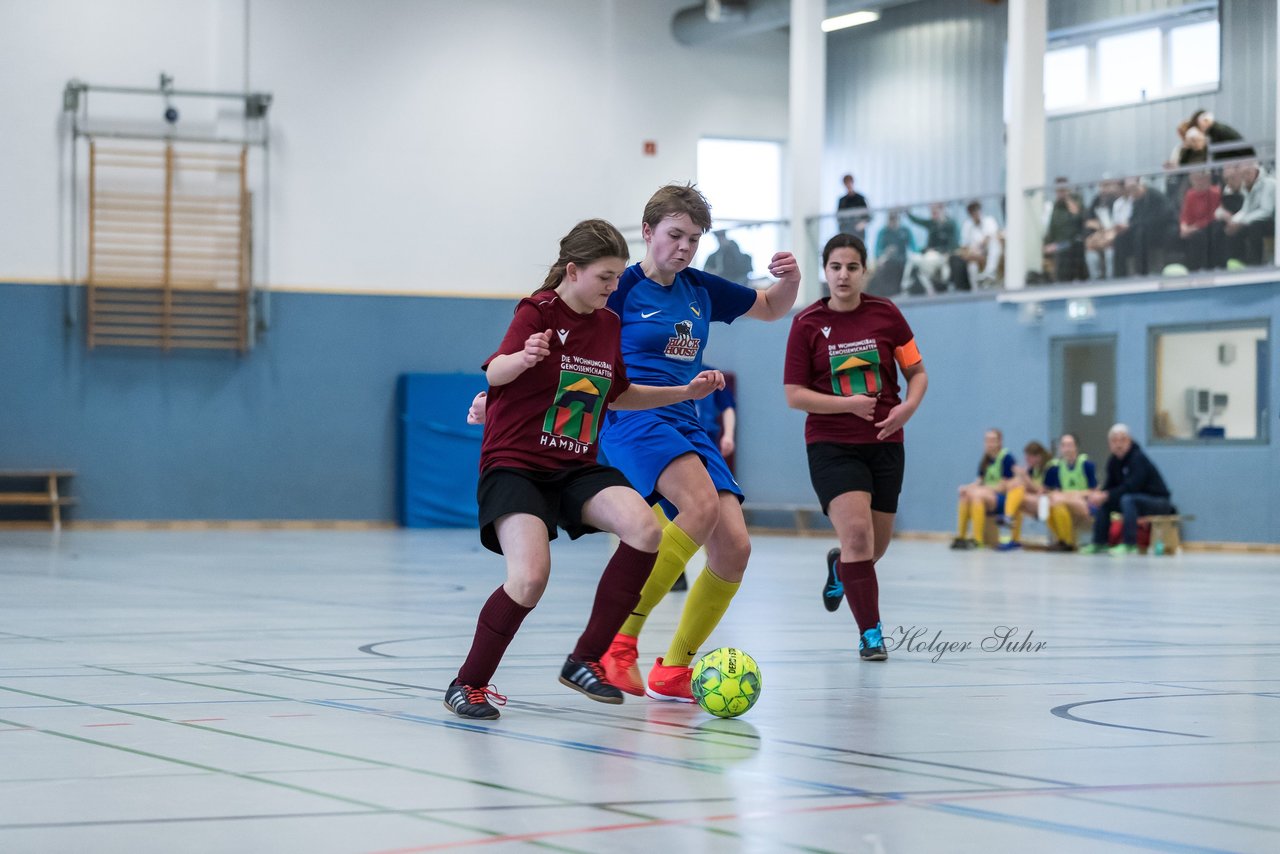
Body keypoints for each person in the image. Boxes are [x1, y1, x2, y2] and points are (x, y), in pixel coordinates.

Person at [445, 219, 725, 720]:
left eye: (619, 278)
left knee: (643, 528)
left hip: (574, 466)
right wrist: (522, 358)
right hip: (516, 466)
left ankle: (586, 658)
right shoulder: (537, 311)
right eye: (605, 278)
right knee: (530, 578)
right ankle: (468, 683)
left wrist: (686, 392)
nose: (614, 288)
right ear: (573, 272)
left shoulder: (607, 325)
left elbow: (619, 393)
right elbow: (494, 371)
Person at [598, 182, 801, 703]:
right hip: (633, 416)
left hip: (687, 421)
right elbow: (565, 339)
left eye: (694, 238)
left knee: (735, 547)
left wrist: (792, 279)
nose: (684, 247)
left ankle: (675, 668)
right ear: (647, 232)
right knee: (699, 504)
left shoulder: (700, 288)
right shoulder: (618, 288)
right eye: (674, 235)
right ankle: (616, 643)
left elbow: (773, 308)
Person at [784, 233, 927, 657]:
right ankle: (871, 635)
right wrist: (846, 405)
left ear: (865, 271)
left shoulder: (888, 315)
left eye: (851, 267)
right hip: (833, 445)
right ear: (825, 272)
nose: (843, 275)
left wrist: (907, 410)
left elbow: (916, 372)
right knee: (860, 540)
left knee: (873, 548)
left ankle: (839, 568)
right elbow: (794, 394)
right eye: (835, 267)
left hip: (886, 442)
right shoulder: (806, 323)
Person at [669, 370, 739, 593]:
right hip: (671, 442)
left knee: (714, 516)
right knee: (681, 511)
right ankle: (673, 570)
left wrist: (728, 435)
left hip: (703, 441)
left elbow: (727, 405)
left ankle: (714, 563)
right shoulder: (660, 369)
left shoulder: (710, 372)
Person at [1081, 424, 1174, 556]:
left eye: (1122, 440)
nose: (1118, 444)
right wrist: (1099, 495)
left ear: (1129, 441)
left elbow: (1132, 487)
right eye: (1114, 440)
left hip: (1159, 501)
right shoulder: (1113, 461)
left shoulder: (1138, 458)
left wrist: (1106, 495)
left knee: (1127, 499)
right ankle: (1099, 543)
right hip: (1135, 500)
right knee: (1106, 502)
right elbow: (1109, 487)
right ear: (1110, 444)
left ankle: (1130, 544)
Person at [951, 428, 1015, 549]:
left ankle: (978, 540)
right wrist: (967, 488)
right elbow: (979, 482)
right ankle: (961, 537)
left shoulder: (1006, 457)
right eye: (987, 440)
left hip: (1002, 499)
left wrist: (983, 489)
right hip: (987, 494)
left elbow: (1004, 486)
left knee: (977, 496)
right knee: (965, 495)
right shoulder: (985, 459)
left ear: (999, 442)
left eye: (992, 440)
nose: (989, 443)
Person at [1041, 433, 1098, 552]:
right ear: (1060, 448)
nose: (1067, 449)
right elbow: (1046, 490)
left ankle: (1068, 541)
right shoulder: (1055, 468)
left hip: (1084, 502)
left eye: (1070, 445)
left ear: (1076, 447)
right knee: (1048, 504)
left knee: (1057, 500)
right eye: (1064, 445)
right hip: (1065, 502)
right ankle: (1062, 540)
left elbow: (1093, 491)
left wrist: (1070, 495)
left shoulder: (1086, 465)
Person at [995, 441, 1052, 551]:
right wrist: (1016, 480)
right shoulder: (1033, 468)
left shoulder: (1050, 468)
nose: (1026, 459)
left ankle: (1008, 518)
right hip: (1036, 500)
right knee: (1017, 492)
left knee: (1019, 492)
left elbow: (1043, 490)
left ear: (1038, 457)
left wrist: (1025, 478)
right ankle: (1014, 538)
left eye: (1029, 457)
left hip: (1048, 502)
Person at [1221, 161, 1276, 267]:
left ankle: (1255, 264)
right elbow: (1246, 209)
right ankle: (1235, 262)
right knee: (1231, 230)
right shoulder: (1247, 186)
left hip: (1273, 222)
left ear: (1255, 171)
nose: (1245, 177)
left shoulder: (1269, 184)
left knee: (1254, 227)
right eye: (1243, 174)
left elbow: (1266, 211)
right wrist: (1233, 221)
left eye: (1247, 173)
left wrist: (1242, 222)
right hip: (1256, 221)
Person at [903, 203, 959, 294]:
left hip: (942, 256)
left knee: (945, 274)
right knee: (914, 260)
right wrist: (907, 213)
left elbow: (953, 244)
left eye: (935, 212)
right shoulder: (931, 223)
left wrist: (947, 254)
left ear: (942, 211)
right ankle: (906, 285)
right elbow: (917, 220)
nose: (933, 215)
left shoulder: (950, 224)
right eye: (932, 213)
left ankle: (948, 287)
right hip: (929, 255)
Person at [1177, 168, 1221, 272]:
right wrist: (1183, 227)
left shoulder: (1215, 193)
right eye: (1195, 179)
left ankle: (1204, 268)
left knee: (1201, 235)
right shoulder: (1190, 194)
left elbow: (1212, 217)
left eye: (1201, 179)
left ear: (1208, 179)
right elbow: (1185, 215)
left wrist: (1192, 228)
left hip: (1208, 227)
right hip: (1192, 228)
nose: (1198, 182)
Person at [1043, 179, 1086, 282]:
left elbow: (1077, 215)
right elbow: (1052, 228)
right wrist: (1047, 244)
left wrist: (1067, 198)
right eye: (1058, 190)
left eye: (1063, 190)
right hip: (1058, 243)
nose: (1060, 193)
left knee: (1063, 254)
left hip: (1072, 242)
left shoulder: (1076, 200)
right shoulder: (1056, 207)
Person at [868, 209, 915, 296]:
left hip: (902, 261)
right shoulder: (883, 232)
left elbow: (913, 247)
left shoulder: (905, 231)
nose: (893, 222)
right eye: (891, 219)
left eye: (895, 219)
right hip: (888, 262)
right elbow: (877, 250)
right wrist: (883, 256)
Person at [956, 200, 1001, 289]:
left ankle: (989, 273)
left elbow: (989, 237)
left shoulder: (989, 220)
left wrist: (980, 248)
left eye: (977, 210)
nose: (975, 213)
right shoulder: (967, 225)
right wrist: (972, 253)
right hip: (975, 254)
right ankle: (976, 290)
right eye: (973, 212)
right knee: (972, 267)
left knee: (994, 244)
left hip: (988, 251)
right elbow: (964, 245)